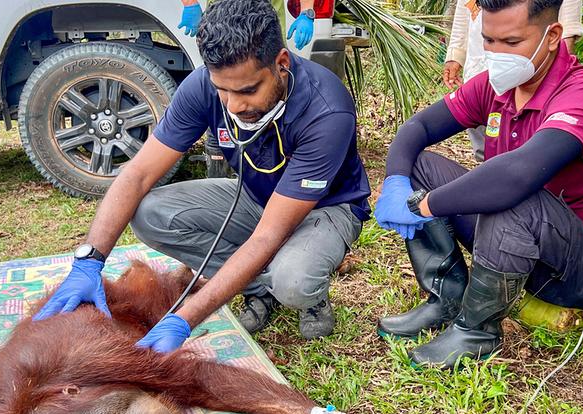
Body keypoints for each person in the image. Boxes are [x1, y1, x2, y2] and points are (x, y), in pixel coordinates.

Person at [35, 0, 370, 349]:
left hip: (327, 208)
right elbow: (138, 174)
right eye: (222, 89)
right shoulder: (203, 87)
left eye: (248, 90)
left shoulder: (327, 111)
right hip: (258, 195)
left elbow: (268, 235)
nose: (234, 105)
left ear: (281, 64)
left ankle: (307, 295)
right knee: (150, 213)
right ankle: (257, 287)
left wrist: (184, 320)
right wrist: (89, 260)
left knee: (294, 281)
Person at [375, 0, 583, 370]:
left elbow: (517, 176)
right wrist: (396, 182)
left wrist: (423, 205)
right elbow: (419, 127)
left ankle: (476, 331)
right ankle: (446, 298)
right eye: (489, 41)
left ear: (552, 36)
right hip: (515, 244)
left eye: (511, 42)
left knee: (507, 191)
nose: (496, 54)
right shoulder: (496, 87)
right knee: (418, 166)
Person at [443, 0, 583, 162]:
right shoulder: (481, 85)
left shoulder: (582, 94)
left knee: (533, 148)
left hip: (534, 63)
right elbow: (465, 7)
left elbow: (569, 18)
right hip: (479, 63)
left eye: (512, 42)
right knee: (487, 145)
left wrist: (560, 63)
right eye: (489, 40)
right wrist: (455, 54)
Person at [179, 0, 316, 50]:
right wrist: (190, 4)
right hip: (221, 19)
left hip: (266, 20)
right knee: (223, 72)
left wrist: (306, 12)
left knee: (271, 72)